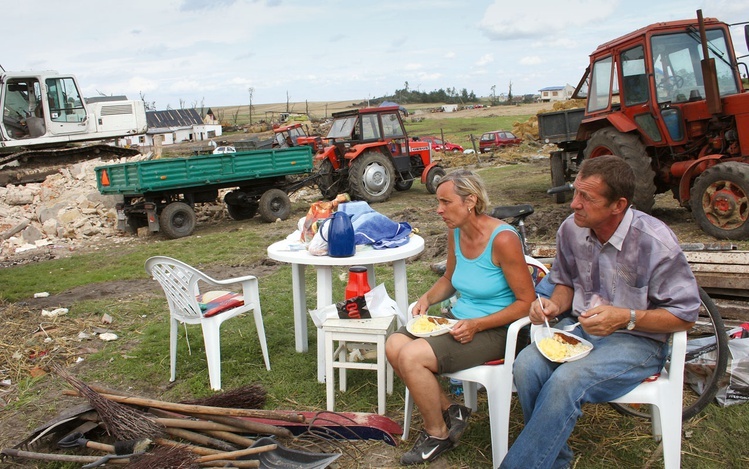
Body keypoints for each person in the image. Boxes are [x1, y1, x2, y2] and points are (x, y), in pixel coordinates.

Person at [501, 155, 701, 469]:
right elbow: (565, 283)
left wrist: (627, 317)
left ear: (617, 205)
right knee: (527, 365)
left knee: (567, 380)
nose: (573, 204)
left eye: (586, 197)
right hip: (581, 332)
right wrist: (553, 305)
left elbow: (685, 315)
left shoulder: (654, 241)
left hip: (639, 341)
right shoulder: (571, 230)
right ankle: (555, 459)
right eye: (576, 192)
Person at [386, 169, 535, 465]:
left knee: (412, 356)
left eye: (445, 202)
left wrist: (478, 323)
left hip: (497, 329)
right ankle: (452, 409)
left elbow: (527, 302)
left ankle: (438, 434)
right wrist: (428, 298)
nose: (438, 210)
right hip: (459, 321)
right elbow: (451, 278)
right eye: (438, 203)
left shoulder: (503, 239)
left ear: (471, 201)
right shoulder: (456, 232)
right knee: (393, 345)